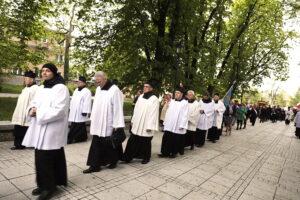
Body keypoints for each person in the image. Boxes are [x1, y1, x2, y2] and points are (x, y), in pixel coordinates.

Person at [22, 63, 69, 200]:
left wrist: (39, 111)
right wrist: (31, 110)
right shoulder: (42, 87)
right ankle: (43, 184)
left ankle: (49, 188)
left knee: (47, 159)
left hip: (52, 130)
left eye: (47, 71)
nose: (44, 73)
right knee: (40, 158)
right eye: (42, 71)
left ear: (54, 72)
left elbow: (60, 110)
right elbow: (34, 103)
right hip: (40, 128)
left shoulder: (61, 88)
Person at [83, 71, 125, 173]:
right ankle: (94, 165)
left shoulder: (114, 90)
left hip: (108, 122)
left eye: (99, 81)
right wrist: (93, 117)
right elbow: (96, 105)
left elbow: (117, 108)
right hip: (98, 122)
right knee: (96, 143)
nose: (98, 84)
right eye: (96, 82)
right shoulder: (98, 89)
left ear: (105, 79)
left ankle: (113, 160)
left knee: (109, 143)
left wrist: (117, 124)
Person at [123, 80, 159, 164]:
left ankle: (146, 157)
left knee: (145, 142)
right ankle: (127, 157)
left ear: (151, 88)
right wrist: (133, 120)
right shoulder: (141, 96)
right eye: (144, 86)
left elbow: (154, 114)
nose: (144, 88)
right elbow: (136, 109)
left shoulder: (154, 99)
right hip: (137, 122)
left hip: (146, 124)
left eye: (147, 86)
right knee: (132, 140)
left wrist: (150, 126)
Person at [10, 71, 38, 150]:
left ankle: (27, 144)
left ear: (32, 80)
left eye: (26, 78)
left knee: (27, 129)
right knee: (18, 129)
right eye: (24, 78)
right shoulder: (25, 89)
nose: (25, 80)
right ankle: (18, 145)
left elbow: (37, 101)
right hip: (20, 113)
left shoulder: (36, 89)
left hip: (28, 114)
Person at [158, 87, 188, 158]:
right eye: (175, 93)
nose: (176, 94)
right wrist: (165, 121)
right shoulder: (172, 101)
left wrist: (182, 125)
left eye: (178, 93)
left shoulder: (184, 103)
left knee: (175, 139)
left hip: (177, 124)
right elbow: (168, 112)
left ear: (182, 94)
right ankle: (164, 152)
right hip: (169, 123)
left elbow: (185, 115)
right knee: (166, 137)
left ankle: (174, 152)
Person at [68, 76, 92, 144]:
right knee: (76, 125)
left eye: (80, 82)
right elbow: (73, 100)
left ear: (84, 83)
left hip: (80, 111)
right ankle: (80, 138)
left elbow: (87, 102)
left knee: (79, 125)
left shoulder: (87, 91)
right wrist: (70, 108)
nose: (78, 83)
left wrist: (85, 111)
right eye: (78, 82)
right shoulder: (76, 90)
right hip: (74, 111)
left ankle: (73, 138)